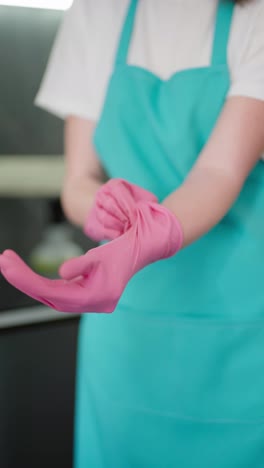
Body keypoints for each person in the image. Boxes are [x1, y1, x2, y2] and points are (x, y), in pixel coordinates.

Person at [1, 0, 264, 466]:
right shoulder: (96, 12)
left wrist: (154, 228)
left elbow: (221, 171)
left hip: (242, 340)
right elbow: (78, 179)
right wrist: (101, 207)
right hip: (126, 338)